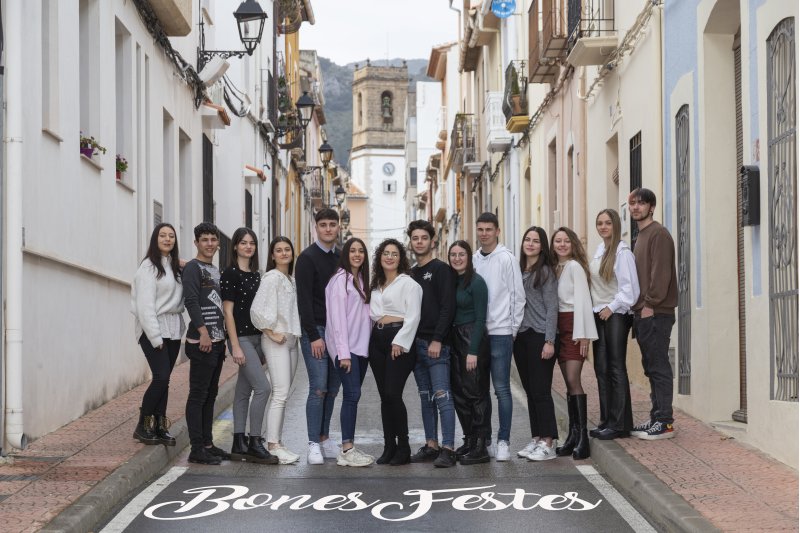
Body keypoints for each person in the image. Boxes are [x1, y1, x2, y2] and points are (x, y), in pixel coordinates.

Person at [221, 227, 278, 464]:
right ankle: (255, 441)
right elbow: (228, 312)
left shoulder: (258, 276)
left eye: (251, 243)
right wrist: (235, 346)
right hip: (242, 339)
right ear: (235, 246)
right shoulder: (230, 274)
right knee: (263, 388)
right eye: (243, 242)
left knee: (243, 391)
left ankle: (238, 442)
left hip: (257, 339)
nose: (248, 246)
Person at [472, 212, 525, 461]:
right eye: (480, 229)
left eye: (488, 229)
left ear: (497, 231)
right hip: (478, 334)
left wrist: (512, 330)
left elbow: (517, 296)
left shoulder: (507, 259)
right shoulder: (472, 260)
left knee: (502, 388)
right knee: (480, 390)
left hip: (502, 332)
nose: (484, 233)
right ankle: (487, 440)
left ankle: (504, 441)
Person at [628, 188, 678, 440]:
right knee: (651, 367)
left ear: (652, 207)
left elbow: (661, 274)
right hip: (645, 312)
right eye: (632, 203)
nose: (636, 207)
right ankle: (656, 416)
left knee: (658, 366)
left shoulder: (658, 234)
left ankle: (665, 422)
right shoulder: (641, 236)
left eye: (641, 203)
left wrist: (649, 305)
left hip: (656, 312)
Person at [407, 220, 457, 468]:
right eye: (415, 238)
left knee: (442, 395)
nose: (419, 242)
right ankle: (431, 445)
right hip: (416, 346)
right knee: (425, 396)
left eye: (423, 238)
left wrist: (437, 339)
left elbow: (448, 308)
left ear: (432, 241)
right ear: (411, 242)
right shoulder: (411, 273)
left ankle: (448, 447)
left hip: (436, 345)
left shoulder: (441, 270)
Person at [369, 239, 423, 466]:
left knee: (393, 394)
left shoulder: (409, 284)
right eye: (385, 253)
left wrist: (400, 341)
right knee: (384, 397)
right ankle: (389, 445)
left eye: (394, 254)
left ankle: (404, 446)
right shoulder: (376, 284)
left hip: (398, 339)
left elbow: (414, 316)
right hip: (377, 340)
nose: (389, 257)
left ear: (400, 258)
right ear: (379, 257)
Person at [131, 223, 185, 446]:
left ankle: (160, 427)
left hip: (172, 330)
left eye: (171, 236)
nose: (167, 239)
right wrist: (155, 336)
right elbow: (145, 307)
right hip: (153, 330)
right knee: (161, 377)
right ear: (155, 239)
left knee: (165, 380)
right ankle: (143, 426)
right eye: (162, 235)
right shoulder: (148, 268)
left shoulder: (174, 267)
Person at [295, 208, 342, 464]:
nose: (327, 229)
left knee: (333, 389)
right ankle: (313, 442)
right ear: (316, 227)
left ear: (337, 228)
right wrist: (313, 335)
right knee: (319, 388)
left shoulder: (341, 257)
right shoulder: (306, 258)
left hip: (338, 333)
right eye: (323, 224)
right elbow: (303, 301)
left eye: (332, 224)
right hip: (317, 332)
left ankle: (325, 438)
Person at [250, 236, 302, 464]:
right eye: (278, 250)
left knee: (284, 393)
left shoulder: (290, 279)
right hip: (276, 341)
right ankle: (272, 445)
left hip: (291, 341)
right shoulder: (271, 278)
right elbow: (257, 309)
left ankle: (277, 441)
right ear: (272, 255)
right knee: (279, 393)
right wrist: (272, 333)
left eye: (287, 249)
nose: (283, 253)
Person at [589, 209, 640, 440]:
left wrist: (612, 307)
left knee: (616, 366)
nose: (603, 227)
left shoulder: (623, 253)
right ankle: (606, 420)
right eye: (599, 223)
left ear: (616, 225)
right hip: (598, 313)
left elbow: (631, 290)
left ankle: (620, 424)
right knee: (601, 368)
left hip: (616, 314)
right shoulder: (600, 251)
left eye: (607, 223)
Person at [325, 237, 375, 467]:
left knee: (354, 396)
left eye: (360, 251)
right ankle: (346, 449)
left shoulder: (363, 280)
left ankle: (350, 446)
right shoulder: (340, 280)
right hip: (347, 350)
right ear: (346, 254)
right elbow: (337, 320)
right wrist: (343, 353)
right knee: (351, 395)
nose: (357, 254)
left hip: (361, 349)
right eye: (352, 251)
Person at [551, 226, 598, 460]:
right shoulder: (554, 268)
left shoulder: (574, 267)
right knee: (568, 384)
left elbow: (583, 300)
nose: (561, 245)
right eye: (557, 241)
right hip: (558, 327)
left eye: (566, 241)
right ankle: (572, 435)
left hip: (573, 326)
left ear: (572, 244)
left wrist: (584, 334)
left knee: (573, 379)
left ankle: (583, 439)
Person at [183, 222, 229, 465]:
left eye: (213, 240)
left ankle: (208, 444)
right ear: (196, 243)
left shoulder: (215, 269)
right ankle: (196, 448)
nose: (209, 244)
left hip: (218, 341)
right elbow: (191, 302)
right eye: (205, 240)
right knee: (198, 395)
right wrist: (203, 332)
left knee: (211, 394)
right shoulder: (192, 268)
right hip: (202, 341)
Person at [514, 227, 560, 461]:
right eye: (527, 239)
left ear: (542, 246)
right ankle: (537, 438)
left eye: (535, 241)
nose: (530, 244)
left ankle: (549, 442)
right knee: (530, 390)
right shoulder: (519, 271)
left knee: (541, 390)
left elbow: (553, 307)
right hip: (521, 337)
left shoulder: (545, 272)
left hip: (541, 336)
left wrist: (550, 340)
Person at [447, 240, 491, 465]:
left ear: (469, 257)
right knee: (459, 394)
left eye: (461, 254)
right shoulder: (451, 281)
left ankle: (482, 446)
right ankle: (470, 439)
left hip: (472, 337)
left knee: (476, 392)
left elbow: (482, 318)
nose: (457, 258)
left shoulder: (477, 282)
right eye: (453, 254)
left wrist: (473, 351)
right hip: (454, 339)